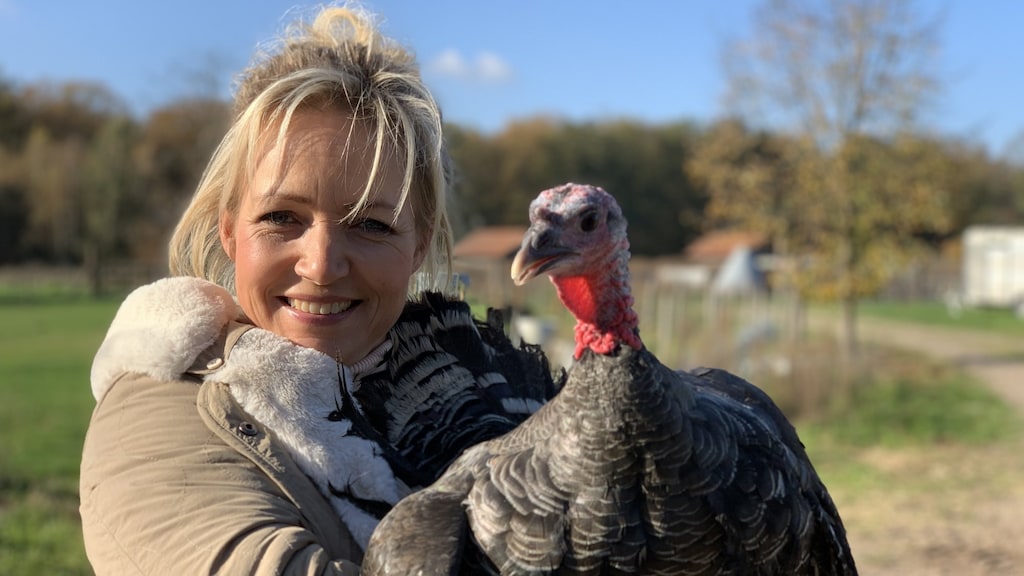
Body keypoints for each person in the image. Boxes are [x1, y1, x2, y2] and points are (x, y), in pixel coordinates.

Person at [79, 4, 556, 573]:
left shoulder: (491, 391)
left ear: (419, 245)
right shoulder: (159, 411)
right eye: (282, 217)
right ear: (229, 231)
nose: (323, 265)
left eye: (371, 224)